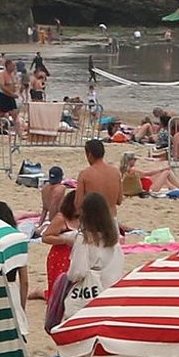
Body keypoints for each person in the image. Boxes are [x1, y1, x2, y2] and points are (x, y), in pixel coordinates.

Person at [57, 192, 123, 326]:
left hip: (90, 294)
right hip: (111, 290)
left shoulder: (85, 239)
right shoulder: (113, 235)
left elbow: (77, 272)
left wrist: (67, 279)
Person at [76, 137, 124, 211]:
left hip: (92, 219)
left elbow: (78, 204)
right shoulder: (115, 172)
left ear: (89, 154)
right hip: (110, 219)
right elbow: (119, 200)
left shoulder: (84, 174)